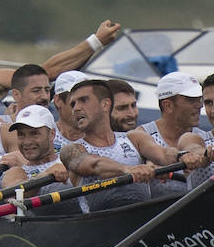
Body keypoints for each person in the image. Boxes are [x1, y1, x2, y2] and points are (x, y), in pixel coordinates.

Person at [59, 79, 205, 210]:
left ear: (105, 104)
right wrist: (127, 169)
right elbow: (96, 164)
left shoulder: (134, 138)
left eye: (83, 100)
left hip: (142, 221)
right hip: (102, 226)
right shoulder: (71, 150)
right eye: (73, 103)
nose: (76, 108)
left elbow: (163, 154)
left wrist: (182, 156)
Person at [132, 71, 212, 195]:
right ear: (168, 105)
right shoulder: (142, 136)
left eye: (199, 99)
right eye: (191, 100)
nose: (200, 105)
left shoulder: (205, 139)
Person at [0, 105, 70, 193]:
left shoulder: (69, 159)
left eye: (34, 133)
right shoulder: (16, 172)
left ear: (52, 134)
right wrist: (45, 175)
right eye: (21, 134)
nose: (27, 142)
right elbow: (13, 194)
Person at [51, 69, 90, 143]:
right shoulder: (45, 139)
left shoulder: (106, 138)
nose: (82, 107)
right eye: (75, 101)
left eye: (86, 99)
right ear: (58, 101)